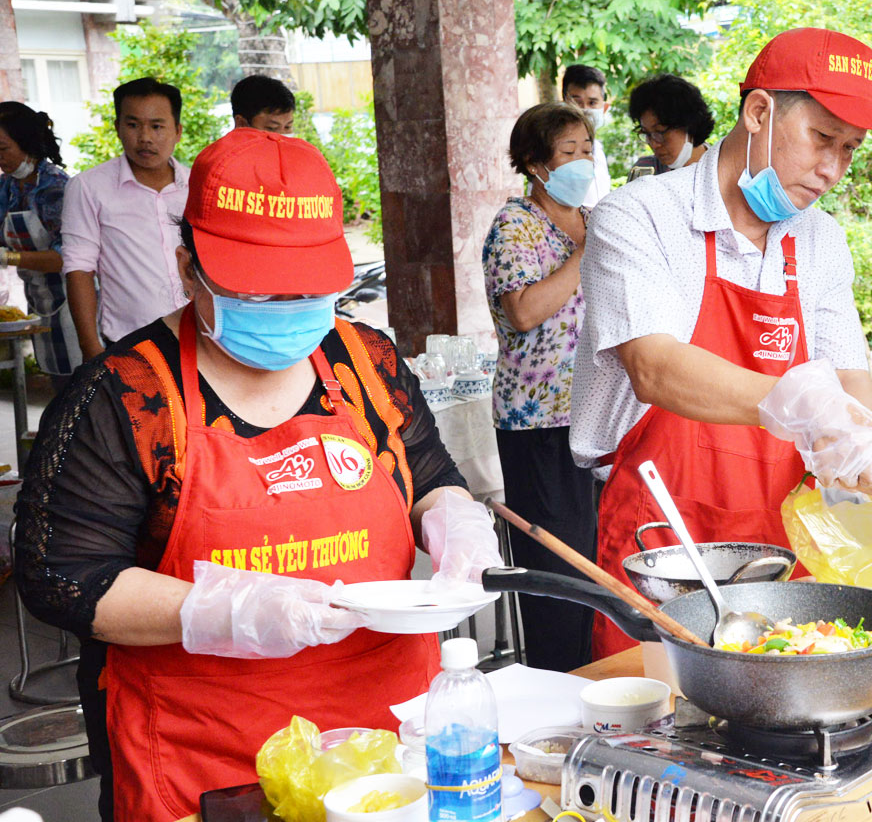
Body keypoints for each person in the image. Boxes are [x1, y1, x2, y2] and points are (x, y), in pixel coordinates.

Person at [15, 128, 502, 821]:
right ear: (190, 271)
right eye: (260, 295)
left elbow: (426, 475)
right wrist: (227, 611)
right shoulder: (122, 396)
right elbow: (62, 578)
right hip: (207, 762)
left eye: (307, 293)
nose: (289, 313)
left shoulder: (366, 362)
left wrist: (456, 523)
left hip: (386, 746)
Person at [571, 27, 872, 659]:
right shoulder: (639, 216)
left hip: (784, 546)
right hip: (662, 543)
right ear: (758, 112)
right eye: (822, 139)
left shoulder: (820, 241)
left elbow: (848, 378)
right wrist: (809, 406)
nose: (833, 169)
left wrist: (866, 440)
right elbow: (655, 367)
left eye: (850, 149)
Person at [482, 103, 596, 671]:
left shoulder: (596, 220)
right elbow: (524, 311)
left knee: (599, 563)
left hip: (596, 418)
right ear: (534, 163)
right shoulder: (516, 225)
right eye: (569, 152)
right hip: (539, 422)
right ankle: (555, 685)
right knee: (558, 569)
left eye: (587, 150)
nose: (583, 161)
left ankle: (600, 680)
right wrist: (584, 256)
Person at [62, 77, 191, 361]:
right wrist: (91, 349)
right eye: (133, 125)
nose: (145, 137)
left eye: (157, 126)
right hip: (128, 346)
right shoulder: (89, 187)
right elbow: (78, 268)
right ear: (118, 128)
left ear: (178, 131)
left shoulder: (198, 185)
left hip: (200, 341)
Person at [0, 102, 84, 389]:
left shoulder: (55, 188)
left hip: (73, 301)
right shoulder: (9, 187)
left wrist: (9, 258)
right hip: (39, 300)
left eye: (3, 148)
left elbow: (65, 257)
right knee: (57, 384)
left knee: (77, 386)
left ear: (27, 143)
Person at [625, 74, 714, 181]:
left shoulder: (722, 169)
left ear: (689, 125)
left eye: (659, 132)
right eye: (647, 134)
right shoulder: (645, 169)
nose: (654, 144)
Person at [562, 64, 612, 208]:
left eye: (592, 102)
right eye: (576, 102)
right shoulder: (554, 149)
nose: (584, 110)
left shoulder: (598, 148)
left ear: (604, 108)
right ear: (564, 105)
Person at [230, 74, 296, 134]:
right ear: (241, 124)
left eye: (287, 127)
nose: (283, 136)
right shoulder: (224, 147)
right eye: (272, 128)